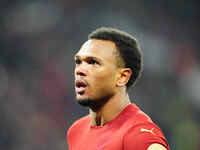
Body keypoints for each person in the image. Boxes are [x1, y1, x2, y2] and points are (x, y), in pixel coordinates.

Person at [67, 27, 170, 150]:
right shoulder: (76, 131)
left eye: (93, 62)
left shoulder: (136, 135)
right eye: (78, 62)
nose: (80, 70)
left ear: (122, 77)